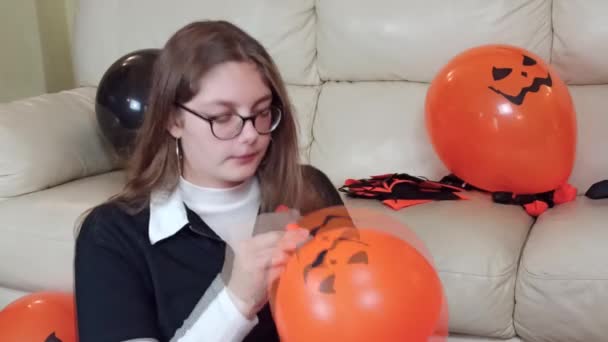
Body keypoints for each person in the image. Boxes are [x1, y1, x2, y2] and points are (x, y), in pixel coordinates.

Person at [74, 20, 344, 342]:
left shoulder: (309, 191)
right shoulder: (111, 233)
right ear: (173, 119)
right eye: (222, 118)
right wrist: (236, 301)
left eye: (261, 112)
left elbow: (362, 315)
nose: (251, 135)